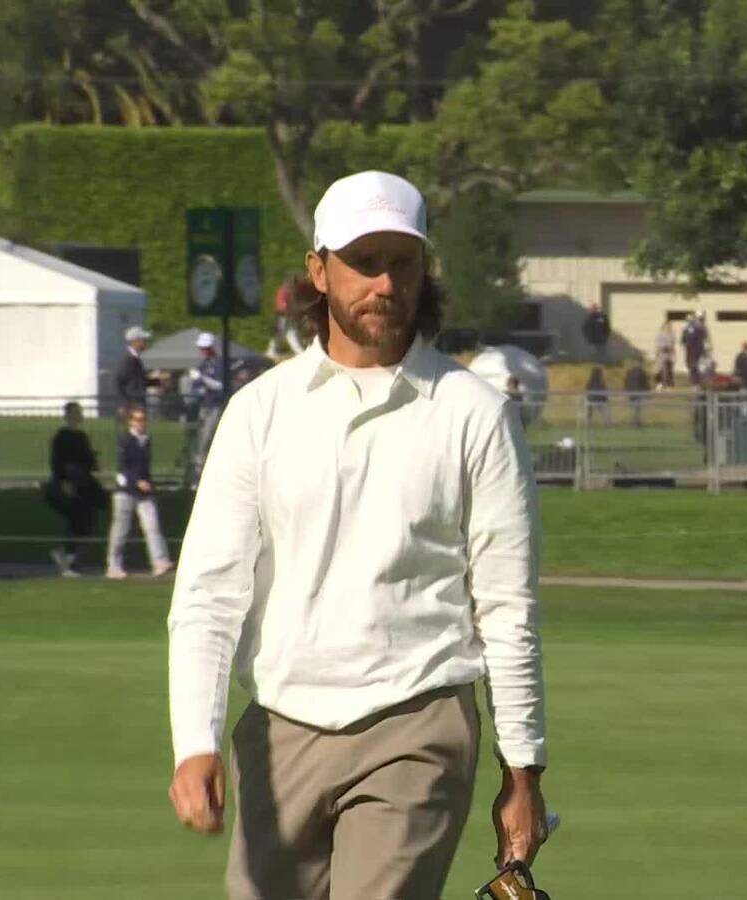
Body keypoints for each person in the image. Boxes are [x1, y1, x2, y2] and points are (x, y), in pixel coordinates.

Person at [167, 170, 548, 900]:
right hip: (279, 729)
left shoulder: (474, 414)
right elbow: (210, 595)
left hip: (418, 721)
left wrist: (522, 771)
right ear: (319, 270)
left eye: (401, 263)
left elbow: (508, 605)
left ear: (422, 269)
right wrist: (196, 743)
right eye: (363, 263)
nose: (383, 283)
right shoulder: (259, 412)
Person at [107, 406, 173, 579]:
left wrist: (147, 483)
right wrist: (137, 481)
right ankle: (114, 565)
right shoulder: (126, 440)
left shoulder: (145, 440)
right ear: (130, 422)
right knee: (121, 530)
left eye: (143, 419)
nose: (141, 423)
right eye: (137, 420)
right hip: (126, 491)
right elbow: (124, 468)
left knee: (152, 526)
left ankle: (159, 561)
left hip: (143, 492)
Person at [46, 401, 105, 577]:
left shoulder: (82, 436)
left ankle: (70, 556)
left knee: (86, 521)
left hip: (84, 483)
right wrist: (64, 481)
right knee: (76, 520)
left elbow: (87, 460)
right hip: (72, 484)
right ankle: (68, 558)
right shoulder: (62, 437)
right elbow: (57, 462)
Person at [189, 331, 226, 480]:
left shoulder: (219, 364)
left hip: (216, 405)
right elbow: (197, 387)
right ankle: (199, 469)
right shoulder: (203, 365)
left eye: (204, 348)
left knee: (208, 436)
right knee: (200, 436)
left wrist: (203, 379)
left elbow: (219, 385)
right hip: (205, 405)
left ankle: (204, 468)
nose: (202, 351)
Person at [116, 326, 153, 415]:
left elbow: (138, 381)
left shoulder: (135, 359)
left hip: (137, 403)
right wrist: (123, 404)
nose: (145, 342)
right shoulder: (128, 360)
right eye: (143, 340)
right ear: (135, 341)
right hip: (132, 405)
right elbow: (118, 381)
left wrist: (158, 381)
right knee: (134, 428)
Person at [681, 313, 708, 385]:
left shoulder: (699, 327)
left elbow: (704, 338)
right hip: (692, 349)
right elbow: (684, 339)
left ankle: (697, 380)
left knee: (696, 365)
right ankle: (695, 381)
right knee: (693, 365)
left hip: (695, 349)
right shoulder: (690, 328)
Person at [623, 359, 649, 427]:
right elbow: (645, 383)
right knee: (637, 409)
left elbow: (626, 382)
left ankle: (635, 422)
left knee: (635, 408)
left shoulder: (629, 372)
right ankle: (635, 422)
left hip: (631, 393)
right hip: (639, 392)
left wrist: (627, 390)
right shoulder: (642, 372)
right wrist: (647, 393)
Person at [652, 318, 675, 388]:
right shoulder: (659, 334)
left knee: (668, 370)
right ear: (664, 326)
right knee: (658, 370)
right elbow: (658, 345)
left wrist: (673, 354)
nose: (669, 327)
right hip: (661, 353)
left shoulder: (672, 335)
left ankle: (669, 384)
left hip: (669, 354)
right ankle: (659, 383)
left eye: (670, 326)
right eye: (667, 326)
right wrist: (657, 353)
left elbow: (672, 345)